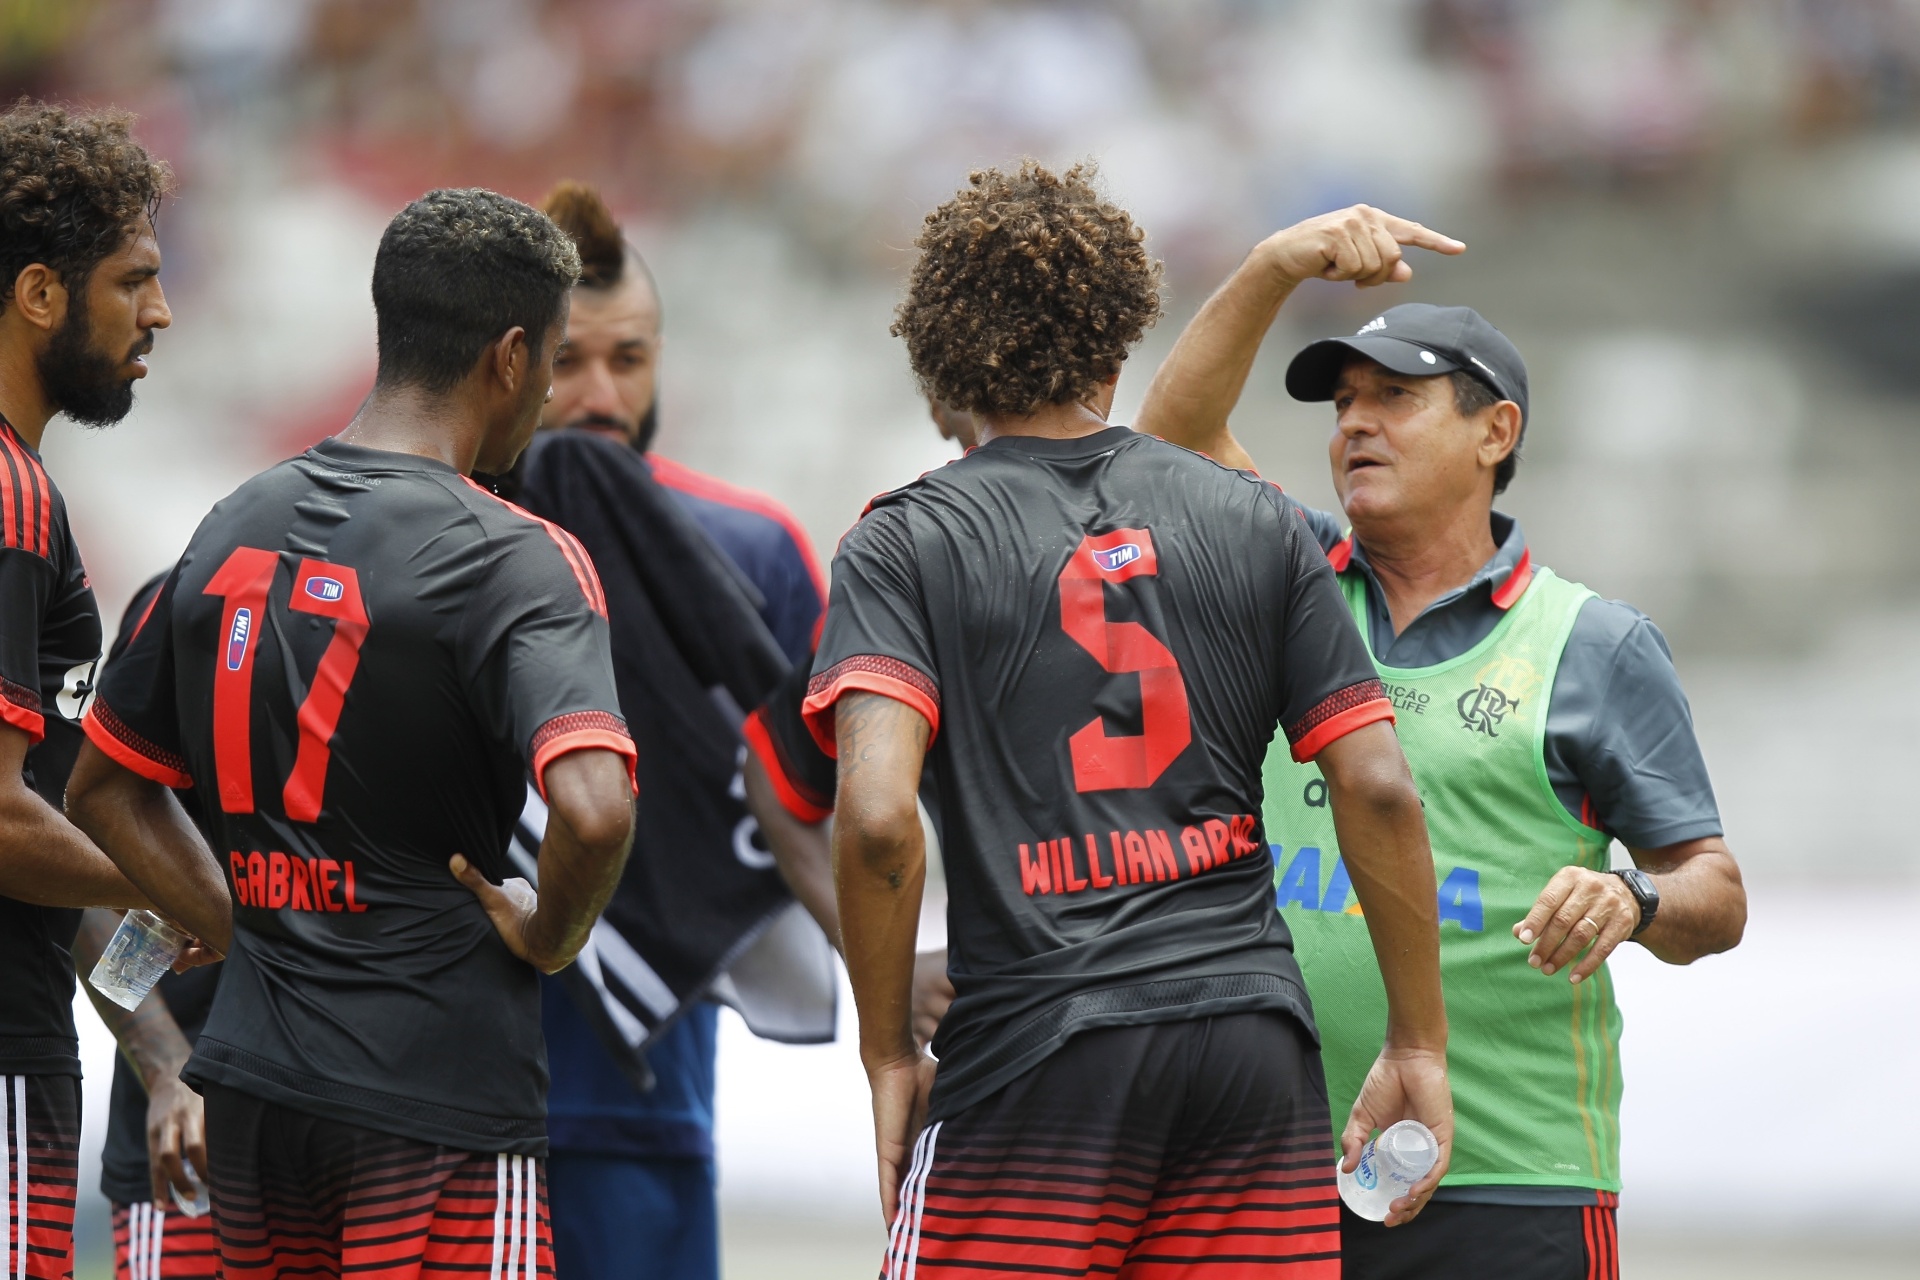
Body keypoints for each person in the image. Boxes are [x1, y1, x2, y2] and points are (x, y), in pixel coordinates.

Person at [806, 162, 1453, 1278]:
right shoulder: (1253, 519)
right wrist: (1416, 1039)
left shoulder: (904, 540)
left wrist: (884, 1051)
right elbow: (1380, 783)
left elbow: (874, 818)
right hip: (1251, 1052)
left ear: (939, 360)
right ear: (1116, 346)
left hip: (1038, 1056)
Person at [1135, 204, 1749, 1280]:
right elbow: (1169, 444)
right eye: (1342, 403)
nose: (1353, 425)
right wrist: (1278, 263)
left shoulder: (1591, 643)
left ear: (1494, 431)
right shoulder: (1293, 584)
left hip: (1514, 1174)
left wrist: (1636, 901)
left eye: (1395, 398)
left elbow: (1716, 891)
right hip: (1268, 1168)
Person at [65, 187, 639, 1280]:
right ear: (511, 356)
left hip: (244, 1098)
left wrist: (239, 930)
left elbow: (104, 794)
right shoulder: (515, 556)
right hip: (430, 1093)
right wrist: (551, 932)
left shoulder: (225, 527)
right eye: (558, 359)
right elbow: (595, 808)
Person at [524, 181, 826, 1280]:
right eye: (568, 361)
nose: (601, 395)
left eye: (631, 358)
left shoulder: (752, 551)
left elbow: (828, 807)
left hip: (646, 1099)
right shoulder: (407, 540)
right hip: (432, 1108)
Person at [0, 100, 173, 1280]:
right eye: (134, 279)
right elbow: (7, 827)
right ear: (40, 294)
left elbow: (47, 851)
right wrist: (202, 890)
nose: (159, 311)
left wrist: (161, 1053)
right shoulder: (9, 498)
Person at [72, 574, 221, 1280]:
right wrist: (167, 1070)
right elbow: (85, 885)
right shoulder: (186, 607)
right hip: (191, 1152)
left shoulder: (411, 613)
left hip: (360, 1133)